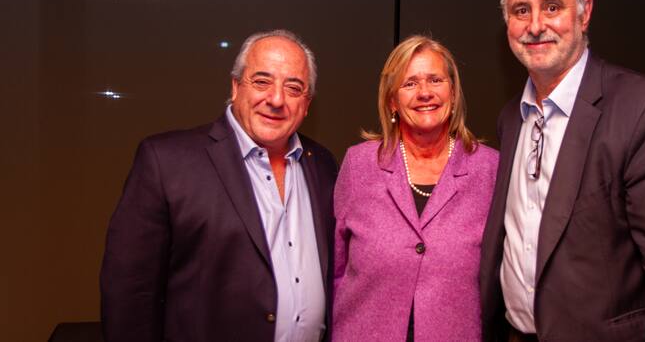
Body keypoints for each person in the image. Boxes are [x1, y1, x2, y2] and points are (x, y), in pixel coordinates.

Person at [479, 0, 645, 342]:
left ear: (585, 13)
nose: (535, 25)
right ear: (507, 22)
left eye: (551, 7)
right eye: (521, 10)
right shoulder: (511, 120)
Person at [100, 30, 338, 342]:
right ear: (236, 87)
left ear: (306, 104)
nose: (276, 99)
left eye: (293, 88)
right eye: (262, 81)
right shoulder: (167, 162)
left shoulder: (322, 164)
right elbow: (129, 295)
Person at [332, 35, 498, 341]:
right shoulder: (360, 164)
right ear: (392, 100)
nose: (425, 93)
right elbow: (335, 268)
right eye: (409, 84)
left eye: (435, 80)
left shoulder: (490, 169)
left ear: (453, 91)